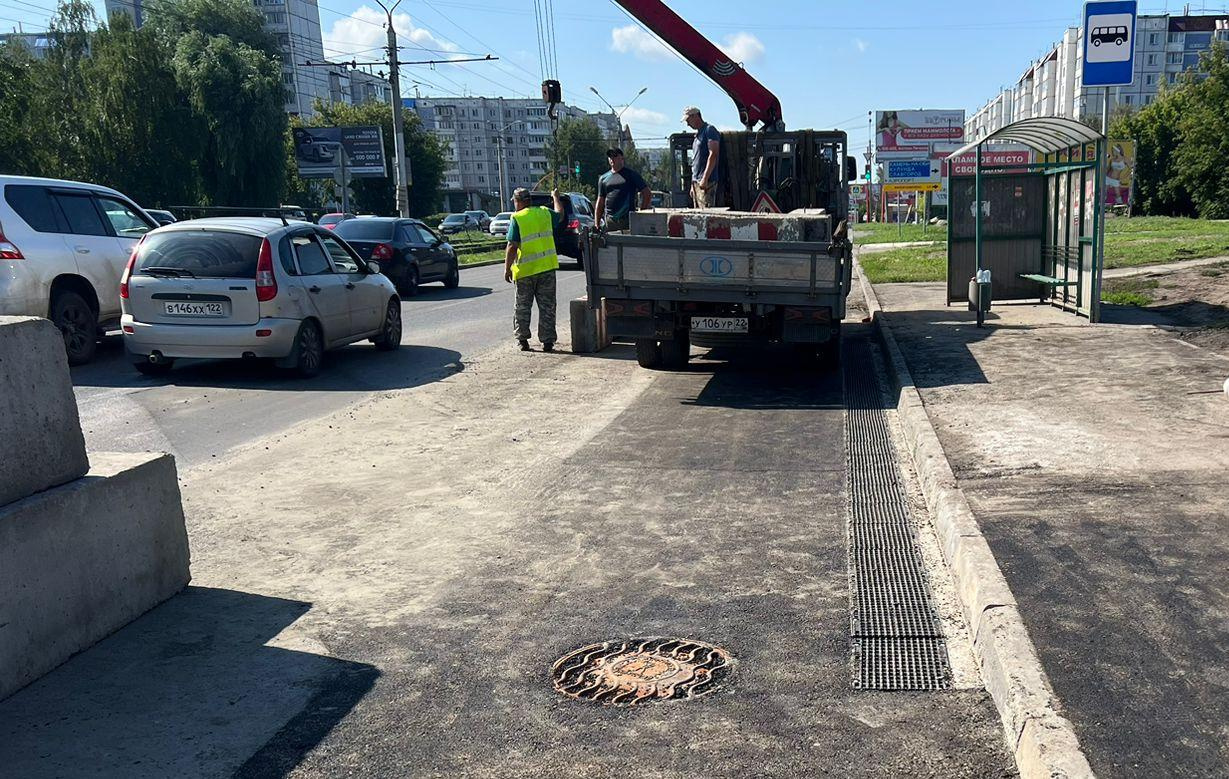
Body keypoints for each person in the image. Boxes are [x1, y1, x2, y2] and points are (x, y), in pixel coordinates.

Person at [504, 187, 564, 352]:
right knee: (548, 306)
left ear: (519, 201)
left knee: (522, 307)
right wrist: (555, 197)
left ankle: (523, 340)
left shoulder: (518, 218)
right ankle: (548, 342)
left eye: (515, 202)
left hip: (525, 271)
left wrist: (507, 268)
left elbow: (512, 246)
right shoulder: (545, 212)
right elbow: (560, 214)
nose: (514, 205)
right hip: (547, 269)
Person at [594, 148, 651, 231]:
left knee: (626, 243)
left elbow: (647, 193)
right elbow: (600, 202)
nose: (612, 159)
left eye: (615, 156)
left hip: (627, 221)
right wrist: (597, 224)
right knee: (610, 243)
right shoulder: (603, 178)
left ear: (622, 158)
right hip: (610, 221)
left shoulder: (631, 175)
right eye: (610, 157)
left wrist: (641, 214)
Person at [683, 106, 721, 208]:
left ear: (695, 116)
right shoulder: (697, 136)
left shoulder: (709, 130)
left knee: (706, 214)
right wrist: (693, 185)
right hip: (697, 183)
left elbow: (713, 154)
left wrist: (705, 178)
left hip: (707, 182)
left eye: (688, 120)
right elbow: (695, 161)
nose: (687, 124)